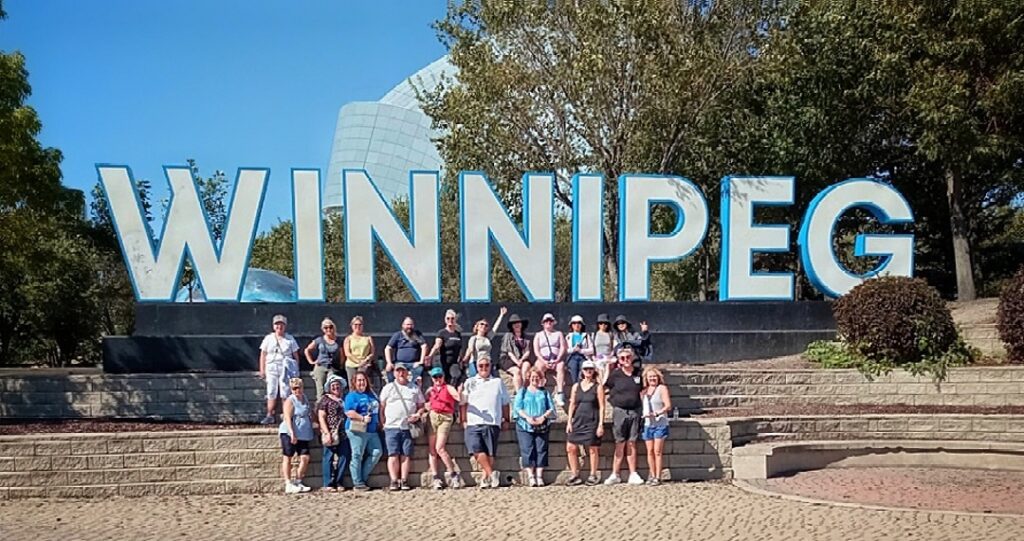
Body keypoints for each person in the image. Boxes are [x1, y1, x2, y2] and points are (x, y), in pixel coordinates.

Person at [460, 356, 510, 489]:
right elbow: (463, 402)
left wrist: (506, 419)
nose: (483, 368)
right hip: (473, 421)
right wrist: (463, 419)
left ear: (490, 366)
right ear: (477, 367)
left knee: (490, 452)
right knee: (476, 450)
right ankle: (492, 474)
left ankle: (485, 478)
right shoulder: (470, 382)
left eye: (486, 365)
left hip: (492, 421)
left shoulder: (498, 382)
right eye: (481, 365)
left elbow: (505, 403)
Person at [603, 345, 645, 486]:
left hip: (635, 411)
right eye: (622, 358)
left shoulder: (639, 373)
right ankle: (615, 473)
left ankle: (633, 473)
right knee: (620, 442)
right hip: (620, 411)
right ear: (619, 360)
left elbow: (644, 390)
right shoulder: (615, 374)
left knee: (632, 442)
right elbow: (604, 387)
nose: (626, 360)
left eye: (628, 357)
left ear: (632, 358)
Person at [380, 364, 426, 491]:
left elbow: (421, 405)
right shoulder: (388, 388)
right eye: (398, 371)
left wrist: (417, 414)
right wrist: (382, 422)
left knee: (406, 455)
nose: (400, 374)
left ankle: (404, 480)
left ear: (407, 373)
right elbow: (382, 407)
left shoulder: (414, 388)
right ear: (394, 373)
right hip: (391, 426)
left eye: (403, 371)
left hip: (407, 427)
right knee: (393, 454)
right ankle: (394, 480)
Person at [565, 360, 606, 486]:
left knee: (593, 448)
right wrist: (569, 421)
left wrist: (600, 424)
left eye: (590, 369)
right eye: (586, 369)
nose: (588, 371)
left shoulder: (598, 387)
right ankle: (574, 474)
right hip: (578, 420)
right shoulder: (576, 387)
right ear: (582, 371)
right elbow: (572, 404)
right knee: (570, 447)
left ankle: (593, 474)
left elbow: (602, 406)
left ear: (594, 371)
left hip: (592, 420)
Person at [514, 368, 555, 487]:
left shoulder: (545, 392)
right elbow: (517, 408)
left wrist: (543, 417)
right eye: (532, 377)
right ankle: (531, 476)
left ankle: (539, 475)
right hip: (525, 425)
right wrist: (527, 418)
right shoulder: (523, 391)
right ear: (528, 378)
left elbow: (551, 408)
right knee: (527, 449)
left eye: (537, 377)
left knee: (541, 449)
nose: (535, 379)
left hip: (542, 424)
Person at [344, 371, 383, 491]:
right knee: (357, 455)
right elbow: (349, 412)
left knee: (377, 452)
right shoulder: (352, 396)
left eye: (363, 380)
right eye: (359, 380)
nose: (361, 383)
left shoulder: (372, 394)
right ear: (354, 383)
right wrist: (362, 418)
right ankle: (358, 482)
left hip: (372, 430)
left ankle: (362, 477)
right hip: (357, 429)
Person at [259, 314, 300, 425]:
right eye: (277, 324)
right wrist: (262, 369)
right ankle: (270, 415)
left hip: (285, 367)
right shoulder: (268, 338)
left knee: (285, 391)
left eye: (281, 324)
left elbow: (295, 355)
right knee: (271, 391)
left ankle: (286, 415)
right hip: (271, 367)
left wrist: (296, 370)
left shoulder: (290, 339)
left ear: (285, 326)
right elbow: (263, 354)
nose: (279, 327)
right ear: (273, 326)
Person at [425, 366, 462, 489]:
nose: (437, 379)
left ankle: (453, 474)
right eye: (435, 377)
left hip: (445, 417)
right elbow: (425, 402)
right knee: (432, 449)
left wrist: (459, 393)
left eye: (439, 376)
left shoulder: (448, 388)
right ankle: (435, 477)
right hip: (433, 416)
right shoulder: (430, 390)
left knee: (440, 448)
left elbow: (458, 397)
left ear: (443, 377)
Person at [279, 377, 314, 494]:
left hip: (303, 433)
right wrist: (292, 432)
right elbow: (287, 417)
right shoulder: (290, 401)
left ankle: (298, 481)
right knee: (287, 457)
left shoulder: (304, 398)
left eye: (298, 387)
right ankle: (288, 483)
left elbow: (309, 412)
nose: (296, 390)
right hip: (291, 432)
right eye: (294, 388)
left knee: (305, 457)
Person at [317, 374, 350, 491]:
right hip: (331, 432)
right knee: (328, 457)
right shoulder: (325, 399)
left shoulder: (344, 399)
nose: (336, 387)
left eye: (338, 385)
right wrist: (326, 432)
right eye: (333, 385)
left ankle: (339, 481)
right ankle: (328, 483)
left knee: (344, 456)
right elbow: (321, 416)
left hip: (343, 433)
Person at [641, 367, 672, 486]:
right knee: (649, 451)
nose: (652, 379)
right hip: (648, 424)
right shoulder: (644, 391)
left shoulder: (662, 389)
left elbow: (668, 405)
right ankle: (652, 474)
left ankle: (658, 476)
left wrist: (657, 412)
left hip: (660, 423)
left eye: (654, 376)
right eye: (650, 377)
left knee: (657, 451)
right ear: (646, 379)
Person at [533, 313, 568, 407]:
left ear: (553, 322)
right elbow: (536, 350)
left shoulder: (558, 334)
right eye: (546, 321)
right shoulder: (538, 335)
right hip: (543, 359)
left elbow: (562, 347)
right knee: (538, 367)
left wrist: (557, 359)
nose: (548, 323)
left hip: (556, 359)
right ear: (543, 323)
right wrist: (544, 361)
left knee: (561, 366)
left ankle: (560, 393)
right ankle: (540, 390)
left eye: (550, 321)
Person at [306, 318, 344, 401]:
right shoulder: (319, 340)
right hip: (320, 366)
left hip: (332, 367)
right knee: (320, 391)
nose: (328, 329)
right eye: (326, 328)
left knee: (333, 387)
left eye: (330, 327)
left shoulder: (338, 341)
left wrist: (341, 365)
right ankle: (320, 410)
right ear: (323, 329)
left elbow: (342, 354)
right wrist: (311, 361)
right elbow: (307, 350)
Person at [463, 307, 507, 378]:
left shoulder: (488, 338)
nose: (484, 326)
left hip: (487, 363)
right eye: (482, 324)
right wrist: (465, 358)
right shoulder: (473, 338)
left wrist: (501, 315)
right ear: (477, 326)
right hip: (476, 363)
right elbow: (470, 349)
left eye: (486, 325)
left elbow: (495, 328)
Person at [385, 317, 428, 384]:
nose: (409, 327)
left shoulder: (417, 334)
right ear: (403, 325)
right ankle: (393, 388)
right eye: (407, 324)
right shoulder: (398, 335)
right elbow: (388, 348)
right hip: (399, 363)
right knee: (389, 369)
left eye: (411, 325)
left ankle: (414, 389)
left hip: (414, 363)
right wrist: (389, 362)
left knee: (419, 370)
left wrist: (421, 361)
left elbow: (424, 346)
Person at [428, 309, 463, 385]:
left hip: (454, 362)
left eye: (452, 318)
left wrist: (461, 359)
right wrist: (430, 356)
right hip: (443, 362)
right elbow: (437, 345)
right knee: (443, 380)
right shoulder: (442, 332)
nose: (450, 320)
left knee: (455, 376)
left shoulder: (458, 334)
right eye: (448, 318)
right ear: (445, 319)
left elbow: (460, 347)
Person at [499, 313, 532, 390]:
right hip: (508, 359)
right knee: (517, 371)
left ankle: (524, 389)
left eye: (518, 322)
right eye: (514, 323)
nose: (516, 325)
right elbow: (509, 352)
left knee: (526, 366)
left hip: (522, 359)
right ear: (511, 326)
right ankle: (519, 393)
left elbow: (527, 352)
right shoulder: (508, 335)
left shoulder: (526, 337)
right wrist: (517, 362)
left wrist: (521, 360)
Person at [343, 316, 375, 386]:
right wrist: (359, 362)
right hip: (352, 365)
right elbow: (347, 353)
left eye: (360, 325)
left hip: (365, 364)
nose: (358, 326)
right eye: (356, 325)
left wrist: (366, 360)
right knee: (353, 386)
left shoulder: (368, 338)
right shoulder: (348, 338)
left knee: (364, 385)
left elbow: (372, 352)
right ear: (352, 326)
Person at [565, 315, 594, 385]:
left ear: (582, 325)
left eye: (579, 323)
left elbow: (591, 350)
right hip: (572, 357)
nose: (576, 325)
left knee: (582, 372)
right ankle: (575, 388)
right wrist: (573, 350)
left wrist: (581, 351)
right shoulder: (568, 336)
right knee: (573, 371)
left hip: (583, 357)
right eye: (574, 323)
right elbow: (565, 350)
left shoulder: (586, 336)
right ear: (571, 325)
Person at [593, 314, 615, 383]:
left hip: (608, 357)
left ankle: (603, 384)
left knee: (607, 366)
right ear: (598, 325)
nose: (603, 325)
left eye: (605, 323)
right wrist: (594, 357)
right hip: (598, 357)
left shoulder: (610, 334)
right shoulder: (594, 335)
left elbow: (613, 347)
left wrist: (610, 356)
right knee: (599, 367)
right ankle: (601, 385)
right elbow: (592, 348)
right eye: (601, 323)